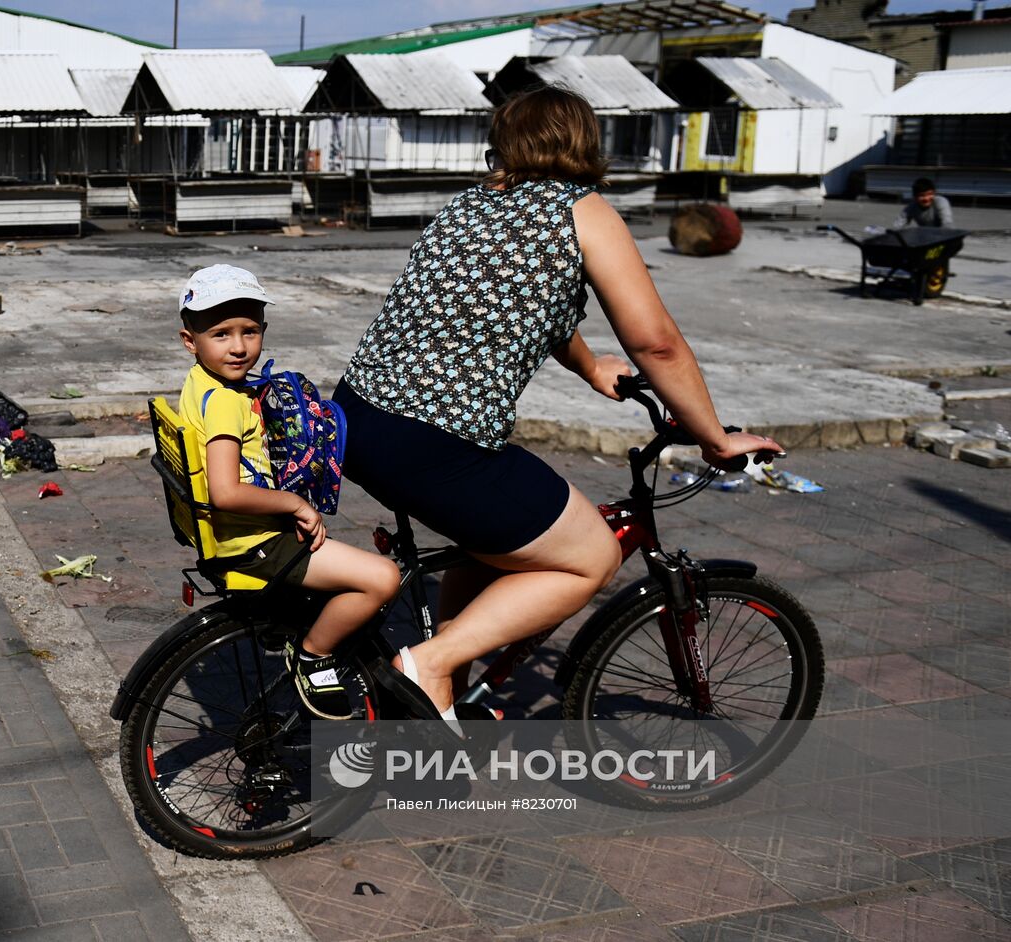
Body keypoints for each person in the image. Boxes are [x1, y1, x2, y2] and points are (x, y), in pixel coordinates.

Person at [333, 86, 782, 725]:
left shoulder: (470, 204)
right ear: (582, 142)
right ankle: (429, 665)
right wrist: (715, 438)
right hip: (437, 441)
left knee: (492, 545)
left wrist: (591, 365)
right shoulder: (581, 210)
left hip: (359, 418)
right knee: (590, 556)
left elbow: (521, 303)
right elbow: (655, 342)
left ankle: (439, 700)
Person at [177, 265, 400, 719]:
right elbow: (226, 492)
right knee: (383, 578)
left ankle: (296, 625)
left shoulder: (203, 384)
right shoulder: (225, 403)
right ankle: (313, 654)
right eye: (221, 334)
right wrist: (295, 503)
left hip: (236, 535)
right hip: (255, 544)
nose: (239, 347)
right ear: (190, 340)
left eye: (250, 331)